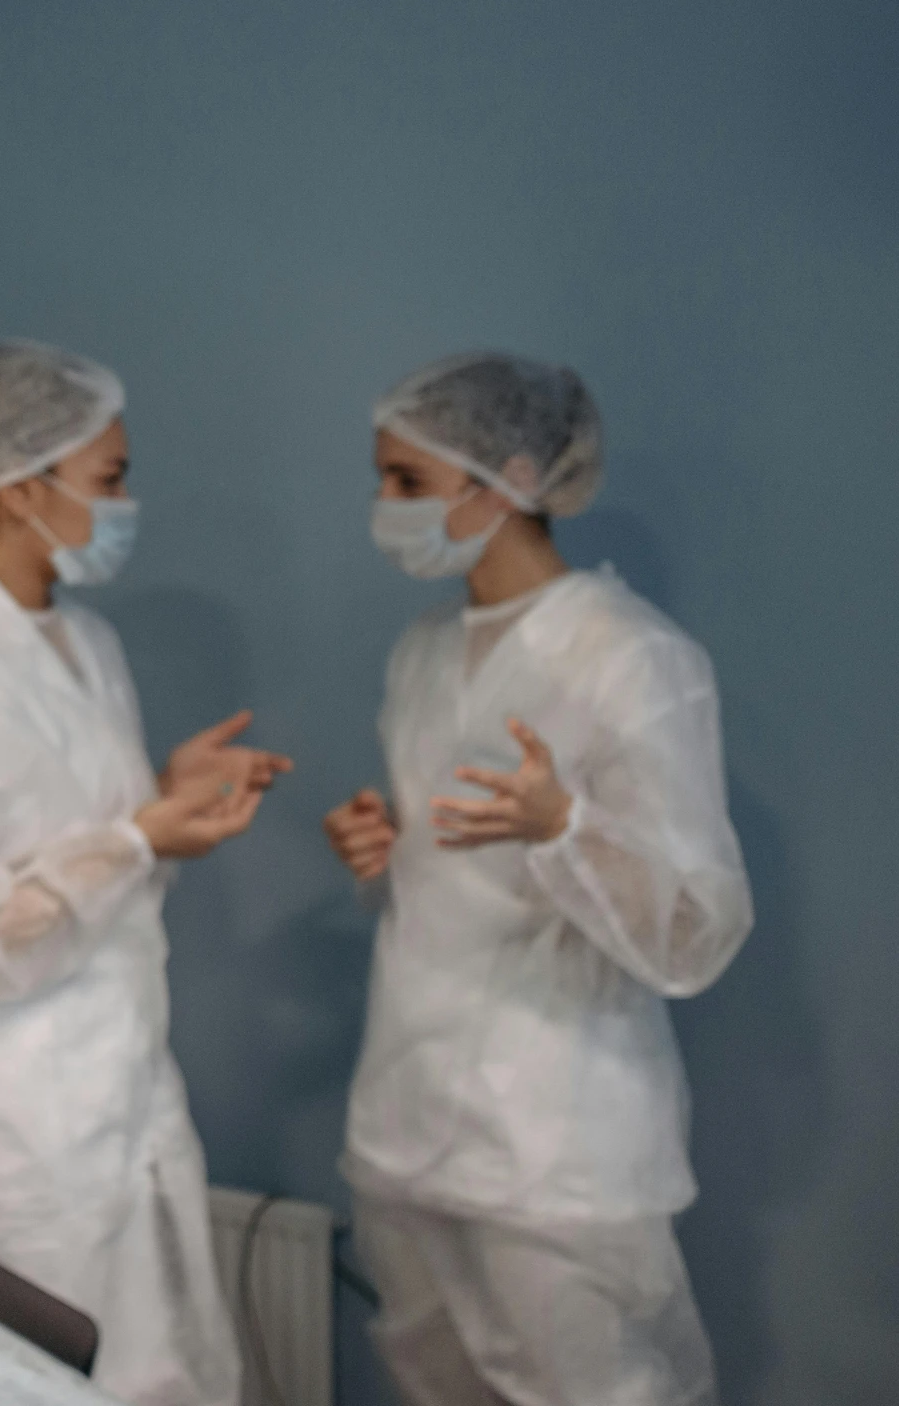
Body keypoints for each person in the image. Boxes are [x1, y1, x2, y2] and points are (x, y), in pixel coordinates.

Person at [0, 340, 290, 1406]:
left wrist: (157, 806)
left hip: (118, 1087)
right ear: (16, 487)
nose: (129, 501)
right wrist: (137, 836)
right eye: (111, 478)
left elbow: (88, 853)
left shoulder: (82, 642)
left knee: (153, 1370)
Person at [323, 352, 753, 1406]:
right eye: (381, 478)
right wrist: (384, 849)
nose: (384, 507)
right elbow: (449, 878)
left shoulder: (632, 655)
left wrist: (564, 823)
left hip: (558, 1138)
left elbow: (696, 926)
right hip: (410, 1109)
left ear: (509, 474)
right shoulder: (423, 654)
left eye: (409, 482)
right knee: (433, 1380)